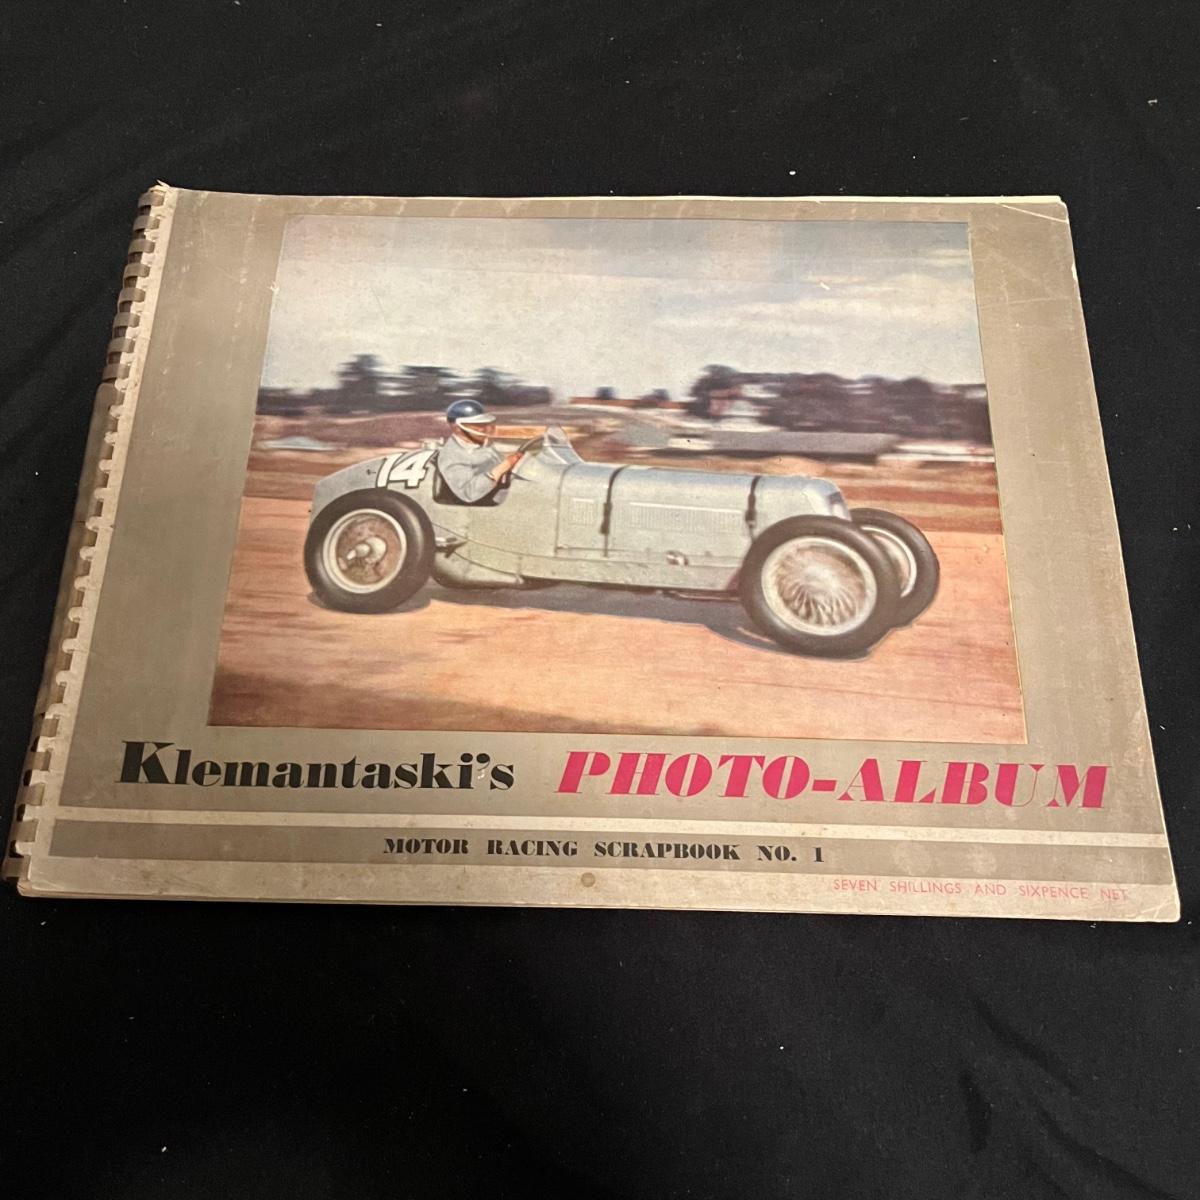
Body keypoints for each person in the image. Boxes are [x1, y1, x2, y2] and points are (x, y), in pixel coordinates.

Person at [438, 399, 524, 503]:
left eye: (485, 424)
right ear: (458, 429)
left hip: (500, 493)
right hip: (482, 503)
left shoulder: (481, 444)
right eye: (478, 425)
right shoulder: (451, 456)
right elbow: (468, 493)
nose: (484, 429)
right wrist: (503, 466)